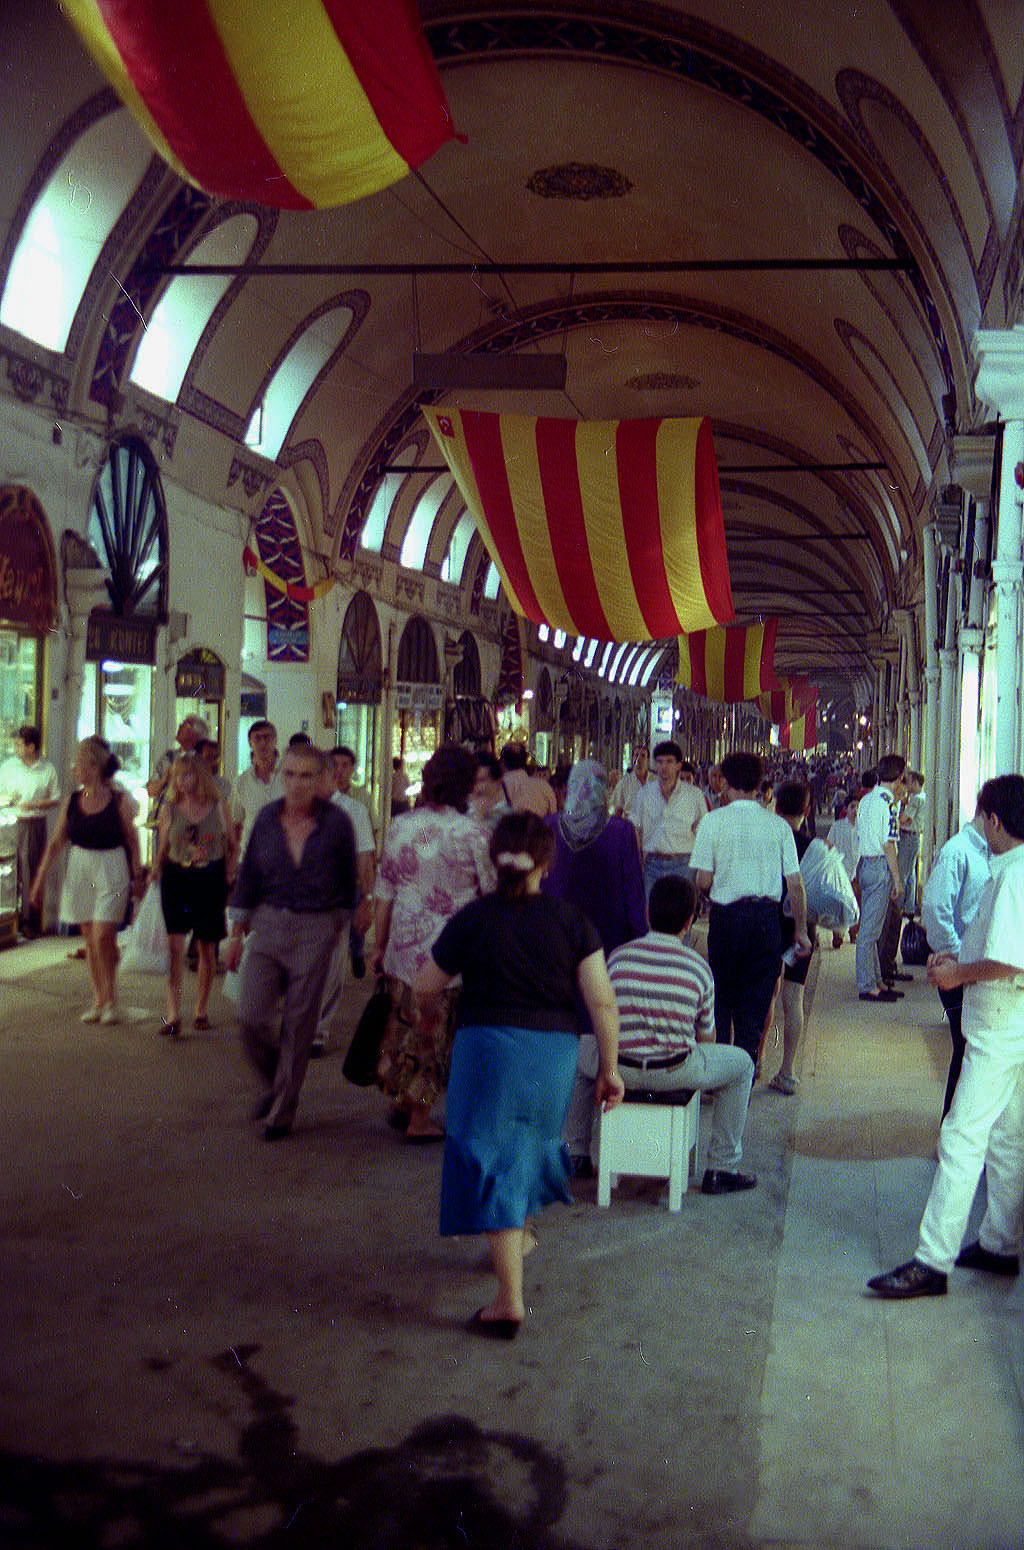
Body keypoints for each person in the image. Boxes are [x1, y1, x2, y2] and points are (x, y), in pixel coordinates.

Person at [412, 811, 624, 1337]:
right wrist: (610, 1068)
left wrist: (431, 1017)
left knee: (489, 1156)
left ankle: (509, 1300)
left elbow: (423, 985)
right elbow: (601, 1001)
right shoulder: (572, 921)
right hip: (553, 1053)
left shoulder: (473, 918)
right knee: (524, 1149)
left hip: (487, 1049)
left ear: (493, 862)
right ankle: (516, 1237)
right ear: (546, 865)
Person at [867, 775, 1024, 1299]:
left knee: (960, 1138)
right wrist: (956, 959)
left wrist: (959, 975)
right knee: (1006, 1138)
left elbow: (1008, 960)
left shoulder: (1013, 875)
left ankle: (931, 1262)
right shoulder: (1013, 870)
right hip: (1013, 1025)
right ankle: (1000, 1244)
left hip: (1000, 1027)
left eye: (984, 820)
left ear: (995, 822)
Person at [224, 744, 357, 1140]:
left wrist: (340, 926)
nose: (297, 784)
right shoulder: (267, 818)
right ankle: (274, 1082)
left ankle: (281, 1111)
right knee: (249, 1017)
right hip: (268, 923)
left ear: (321, 780)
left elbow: (348, 879)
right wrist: (236, 932)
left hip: (315, 928)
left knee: (299, 1023)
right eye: (290, 774)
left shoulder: (337, 823)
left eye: (306, 776)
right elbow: (248, 876)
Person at [371, 746, 494, 1141]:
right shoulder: (474, 833)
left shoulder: (402, 826)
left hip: (404, 945)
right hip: (448, 950)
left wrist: (379, 943)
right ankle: (419, 1119)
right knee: (433, 1034)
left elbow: (385, 889)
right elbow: (489, 892)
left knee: (405, 1024)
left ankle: (403, 1100)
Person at [607, 874, 756, 1193]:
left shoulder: (617, 960)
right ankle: (721, 1167)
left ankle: (577, 1152)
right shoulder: (697, 969)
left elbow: (605, 1022)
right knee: (742, 1064)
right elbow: (706, 1040)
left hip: (620, 1071)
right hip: (675, 1072)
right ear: (690, 921)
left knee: (581, 1051)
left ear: (647, 913)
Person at [541, 759, 647, 1170]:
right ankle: (589, 1138)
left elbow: (542, 878)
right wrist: (640, 939)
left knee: (563, 1028)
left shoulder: (550, 825)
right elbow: (633, 888)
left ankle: (566, 1138)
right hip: (606, 941)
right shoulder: (620, 831)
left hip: (557, 936)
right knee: (597, 1029)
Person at [691, 750, 810, 1065]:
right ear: (760, 785)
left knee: (722, 1000)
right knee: (755, 1006)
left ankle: (719, 1073)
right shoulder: (779, 827)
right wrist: (800, 930)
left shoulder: (712, 822)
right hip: (765, 922)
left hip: (726, 921)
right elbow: (795, 886)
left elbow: (703, 880)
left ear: (726, 783)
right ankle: (742, 1076)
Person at [29, 737, 142, 1024]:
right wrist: (40, 878)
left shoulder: (118, 799)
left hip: (111, 865)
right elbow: (56, 843)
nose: (75, 769)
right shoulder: (73, 800)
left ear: (95, 766)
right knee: (91, 940)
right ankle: (100, 1000)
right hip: (80, 867)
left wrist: (137, 873)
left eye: (79, 764)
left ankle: (112, 998)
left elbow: (133, 838)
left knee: (105, 935)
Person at [151, 754, 236, 1036]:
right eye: (177, 776)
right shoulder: (170, 808)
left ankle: (201, 1009)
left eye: (187, 775)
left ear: (200, 776)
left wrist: (228, 873)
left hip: (209, 877)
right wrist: (155, 869)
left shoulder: (218, 806)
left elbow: (232, 845)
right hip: (177, 876)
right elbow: (163, 845)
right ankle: (173, 1014)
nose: (181, 781)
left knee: (206, 948)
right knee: (174, 947)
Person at [920, 805, 991, 1118]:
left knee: (970, 1052)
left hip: (974, 970)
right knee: (966, 1051)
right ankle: (952, 1136)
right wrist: (957, 960)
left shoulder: (991, 854)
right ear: (992, 819)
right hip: (960, 972)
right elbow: (935, 909)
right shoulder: (958, 852)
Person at [310, 749, 377, 1054]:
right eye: (330, 767)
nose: (335, 772)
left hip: (337, 898)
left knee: (332, 966)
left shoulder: (354, 811)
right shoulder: (297, 807)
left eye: (341, 767)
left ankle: (318, 1030)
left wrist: (368, 898)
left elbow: (366, 855)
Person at [765, 781, 821, 1096]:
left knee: (766, 995)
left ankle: (755, 1061)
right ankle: (787, 1070)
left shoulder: (769, 840)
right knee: (793, 1000)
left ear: (775, 806)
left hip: (770, 925)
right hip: (801, 930)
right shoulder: (812, 845)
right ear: (807, 810)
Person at [854, 752, 907, 1003]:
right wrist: (897, 879)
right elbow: (889, 845)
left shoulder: (866, 800)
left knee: (872, 928)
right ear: (899, 777)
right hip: (879, 868)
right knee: (869, 933)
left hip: (865, 864)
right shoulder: (888, 805)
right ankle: (867, 985)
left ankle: (876, 981)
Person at [0, 725, 60, 937]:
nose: (15, 748)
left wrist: (36, 804)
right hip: (9, 821)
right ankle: (9, 916)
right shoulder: (8, 767)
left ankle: (29, 922)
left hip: (33, 824)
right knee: (8, 868)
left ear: (31, 747)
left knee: (30, 870)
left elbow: (55, 799)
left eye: (19, 744)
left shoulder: (47, 769)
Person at [631, 739, 708, 898]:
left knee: (681, 915)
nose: (664, 767)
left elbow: (704, 831)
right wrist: (639, 863)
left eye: (669, 762)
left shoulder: (694, 795)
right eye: (659, 762)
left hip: (684, 864)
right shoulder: (644, 795)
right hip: (653, 864)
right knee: (652, 915)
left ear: (678, 765)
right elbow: (636, 830)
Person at [231, 720, 283, 857]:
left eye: (267, 737)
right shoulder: (241, 782)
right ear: (250, 742)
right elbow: (236, 823)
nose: (263, 743)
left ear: (275, 740)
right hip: (251, 856)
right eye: (257, 738)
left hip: (284, 856)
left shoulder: (289, 776)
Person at [826, 795, 860, 948]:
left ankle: (854, 933)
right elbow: (828, 846)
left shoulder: (863, 828)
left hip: (857, 873)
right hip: (840, 872)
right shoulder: (837, 827)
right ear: (846, 809)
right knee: (839, 905)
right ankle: (838, 934)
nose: (855, 810)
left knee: (857, 904)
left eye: (858, 807)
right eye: (852, 806)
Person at [499, 742, 557, 817]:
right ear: (525, 762)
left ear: (502, 762)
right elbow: (553, 819)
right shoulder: (544, 787)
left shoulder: (494, 788)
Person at [898, 769, 926, 915]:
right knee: (910, 874)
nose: (906, 785)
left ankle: (899, 906)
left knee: (903, 873)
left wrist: (901, 813)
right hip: (914, 838)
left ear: (915, 782)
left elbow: (905, 820)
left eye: (908, 782)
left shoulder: (916, 799)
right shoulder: (921, 797)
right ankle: (909, 906)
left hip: (908, 838)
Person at [610, 744, 649, 819]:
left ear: (648, 759)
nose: (639, 759)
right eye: (636, 755)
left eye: (643, 756)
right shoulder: (624, 782)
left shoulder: (655, 780)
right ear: (632, 758)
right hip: (631, 825)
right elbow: (618, 810)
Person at [195, 737, 233, 807]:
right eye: (208, 758)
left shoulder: (224, 785)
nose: (214, 762)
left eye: (216, 757)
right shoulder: (188, 784)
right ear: (198, 759)